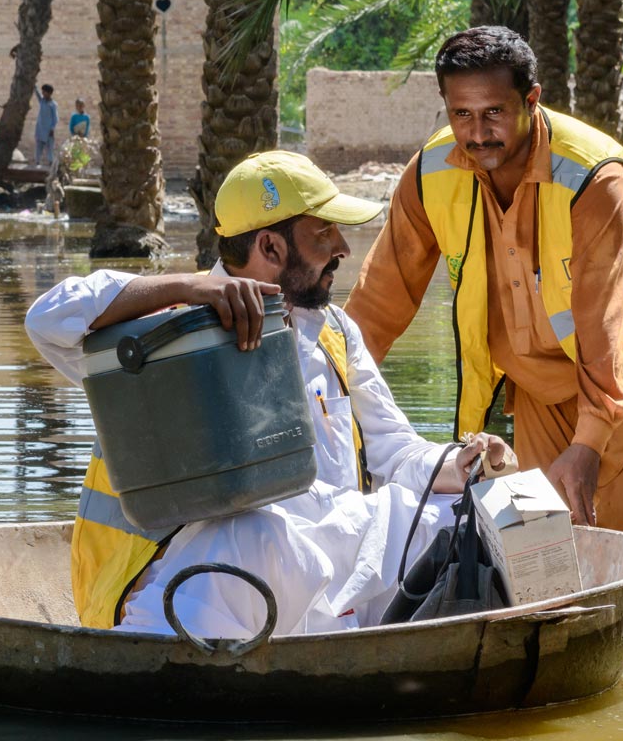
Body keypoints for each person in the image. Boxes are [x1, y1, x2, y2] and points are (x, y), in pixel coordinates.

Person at [26, 150, 512, 639]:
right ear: (270, 247)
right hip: (185, 572)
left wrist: (466, 461)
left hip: (317, 549)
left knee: (462, 514)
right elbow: (47, 319)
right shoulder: (170, 327)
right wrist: (192, 290)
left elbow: (398, 452)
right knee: (259, 533)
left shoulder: (336, 332)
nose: (342, 247)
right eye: (324, 233)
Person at [343, 26, 623, 617]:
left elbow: (603, 318)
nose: (477, 133)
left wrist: (588, 444)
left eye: (494, 113)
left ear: (532, 101)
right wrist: (336, 400)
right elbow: (377, 305)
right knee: (537, 575)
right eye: (461, 114)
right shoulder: (431, 172)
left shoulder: (592, 173)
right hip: (536, 388)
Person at [34, 84, 58, 165]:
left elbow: (55, 118)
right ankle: (37, 162)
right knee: (38, 148)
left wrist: (52, 128)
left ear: (49, 93)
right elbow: (37, 94)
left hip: (48, 131)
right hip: (40, 129)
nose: (43, 93)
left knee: (49, 148)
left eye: (44, 92)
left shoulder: (53, 105)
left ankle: (50, 163)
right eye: (42, 92)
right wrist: (34, 85)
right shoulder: (42, 101)